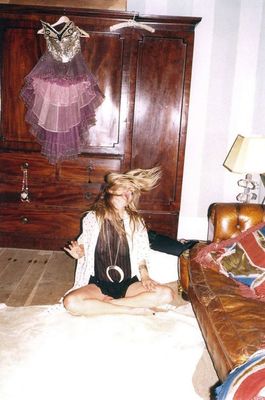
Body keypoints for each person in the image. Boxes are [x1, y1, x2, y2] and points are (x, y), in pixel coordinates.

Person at [63, 167, 174, 316]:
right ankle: (130, 310)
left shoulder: (136, 221)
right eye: (125, 189)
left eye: (131, 192)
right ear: (111, 190)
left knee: (167, 294)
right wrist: (78, 253)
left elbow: (142, 252)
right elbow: (84, 247)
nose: (128, 194)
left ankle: (110, 305)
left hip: (129, 283)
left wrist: (145, 276)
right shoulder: (91, 218)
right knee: (70, 302)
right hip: (98, 283)